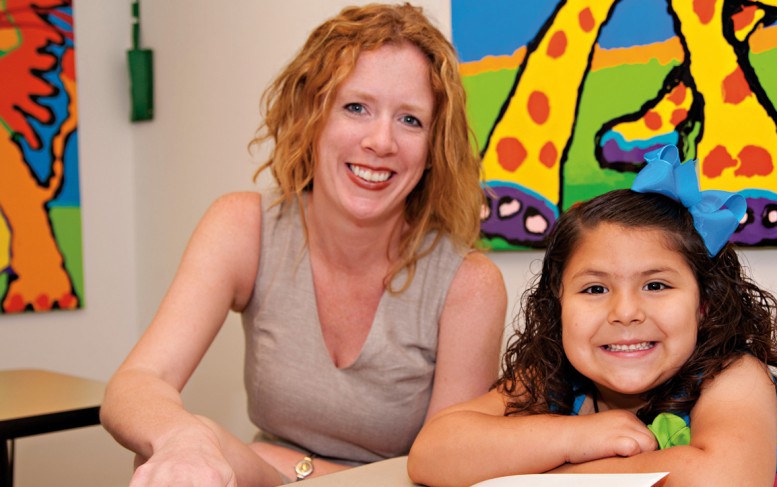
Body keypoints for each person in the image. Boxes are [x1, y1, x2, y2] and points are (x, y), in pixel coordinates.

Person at [100, 4, 507, 486]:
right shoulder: (244, 227)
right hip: (262, 475)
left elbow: (448, 465)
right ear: (312, 115)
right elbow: (137, 382)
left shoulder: (469, 284)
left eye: (410, 120)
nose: (381, 141)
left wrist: (300, 471)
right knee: (171, 455)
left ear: (434, 148)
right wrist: (183, 438)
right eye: (356, 107)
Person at [408, 144, 777, 486]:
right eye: (595, 289)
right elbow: (431, 453)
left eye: (656, 285)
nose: (625, 312)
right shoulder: (555, 379)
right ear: (558, 306)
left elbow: (719, 479)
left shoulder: (734, 378)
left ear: (704, 304)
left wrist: (549, 472)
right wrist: (575, 437)